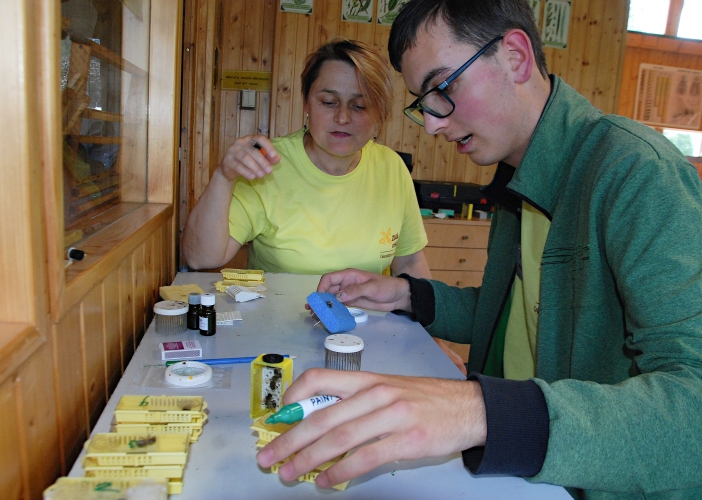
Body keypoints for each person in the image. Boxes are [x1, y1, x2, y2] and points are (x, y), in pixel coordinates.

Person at [255, 1, 702, 498]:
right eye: (423, 102)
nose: (431, 124)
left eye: (443, 88)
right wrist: (408, 295)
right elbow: (522, 317)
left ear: (515, 57)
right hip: (517, 472)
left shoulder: (638, 173)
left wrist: (478, 411)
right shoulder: (518, 176)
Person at [181, 39, 430, 280]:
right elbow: (200, 258)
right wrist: (223, 177)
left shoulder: (392, 168)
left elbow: (410, 262)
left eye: (359, 106)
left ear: (378, 112)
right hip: (278, 310)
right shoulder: (268, 165)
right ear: (306, 104)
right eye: (329, 102)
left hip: (364, 310)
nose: (342, 117)